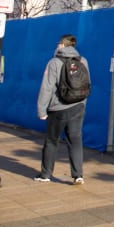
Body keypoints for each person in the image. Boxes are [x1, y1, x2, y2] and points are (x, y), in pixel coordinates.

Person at [35, 34, 88, 184]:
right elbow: (86, 85)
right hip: (78, 106)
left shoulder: (54, 62)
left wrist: (41, 110)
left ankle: (46, 174)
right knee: (75, 140)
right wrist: (83, 104)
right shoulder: (83, 61)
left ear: (63, 45)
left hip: (58, 108)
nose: (57, 45)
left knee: (52, 141)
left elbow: (47, 88)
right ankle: (78, 175)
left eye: (58, 43)